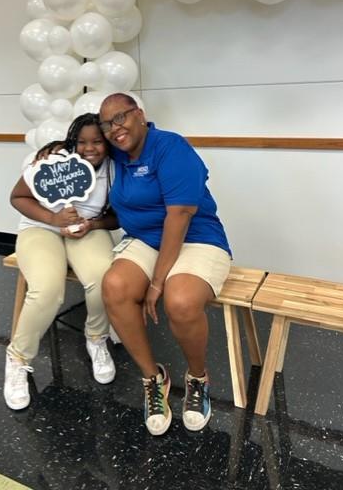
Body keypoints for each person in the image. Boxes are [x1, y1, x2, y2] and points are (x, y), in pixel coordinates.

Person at [98, 93, 231, 436]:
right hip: (145, 239)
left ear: (140, 114)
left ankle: (197, 378)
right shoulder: (116, 153)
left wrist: (157, 282)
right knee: (114, 287)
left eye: (120, 118)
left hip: (196, 237)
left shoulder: (170, 147)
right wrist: (50, 154)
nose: (114, 129)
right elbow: (77, 149)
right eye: (106, 124)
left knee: (180, 301)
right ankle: (153, 379)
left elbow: (180, 215)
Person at [4, 113, 118, 410]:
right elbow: (18, 197)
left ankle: (96, 338)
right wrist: (53, 218)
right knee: (47, 289)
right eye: (82, 142)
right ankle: (18, 358)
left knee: (104, 277)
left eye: (97, 141)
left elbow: (117, 216)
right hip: (41, 228)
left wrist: (92, 224)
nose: (89, 148)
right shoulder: (53, 159)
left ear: (107, 142)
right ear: (71, 142)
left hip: (87, 229)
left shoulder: (114, 168)